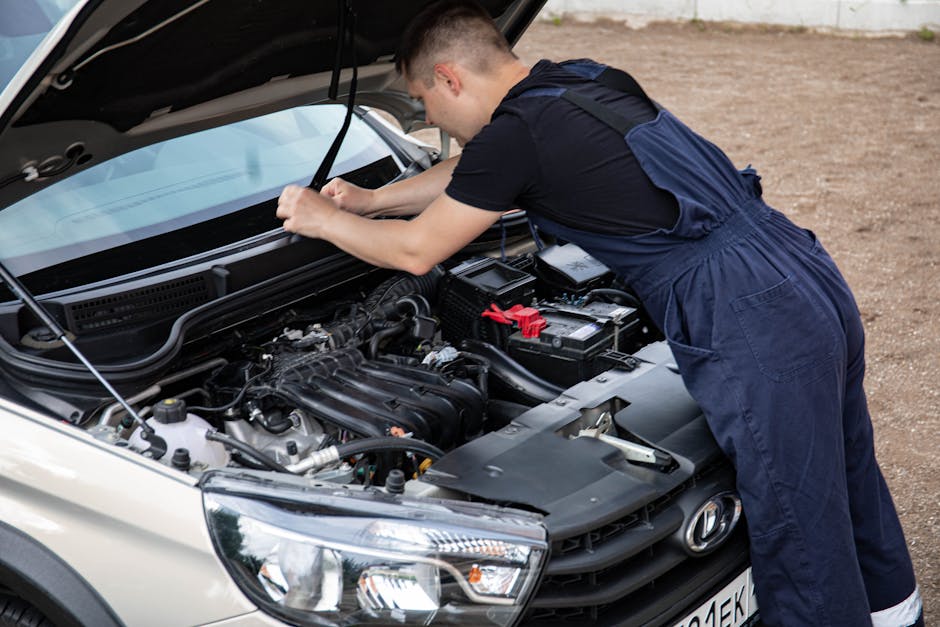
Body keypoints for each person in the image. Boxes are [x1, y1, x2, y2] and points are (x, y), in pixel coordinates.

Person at [275, 2, 923, 625]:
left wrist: (323, 217)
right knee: (848, 477)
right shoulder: (581, 79)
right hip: (798, 268)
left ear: (449, 78)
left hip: (747, 313)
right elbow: (472, 171)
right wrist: (373, 200)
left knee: (798, 527)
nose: (427, 115)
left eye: (424, 102)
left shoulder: (516, 136)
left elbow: (418, 252)